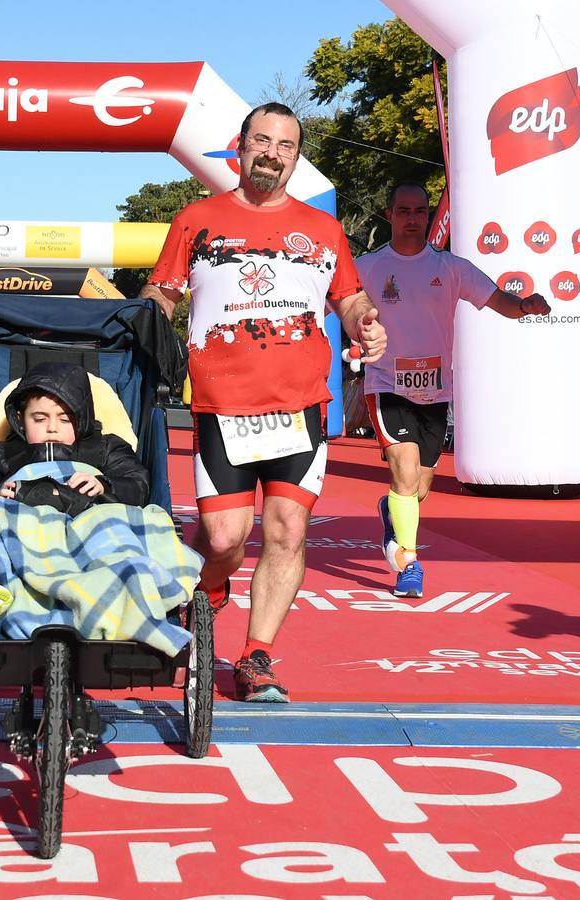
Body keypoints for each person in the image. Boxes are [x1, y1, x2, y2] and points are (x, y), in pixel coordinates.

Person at [140, 101, 387, 703]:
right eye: (262, 142)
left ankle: (257, 656)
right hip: (222, 407)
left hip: (299, 406)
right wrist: (138, 328)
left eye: (285, 146)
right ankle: (212, 586)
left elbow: (348, 298)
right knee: (224, 538)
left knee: (286, 531)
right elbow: (160, 295)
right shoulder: (196, 221)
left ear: (296, 158)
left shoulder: (323, 231)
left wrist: (366, 323)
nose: (272, 154)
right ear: (241, 146)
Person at [356, 182, 551, 600]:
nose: (413, 219)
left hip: (435, 392)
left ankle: (392, 514)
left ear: (428, 216)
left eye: (420, 211)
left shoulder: (451, 268)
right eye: (404, 211)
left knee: (419, 488)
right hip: (387, 385)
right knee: (406, 475)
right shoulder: (367, 267)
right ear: (389, 215)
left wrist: (525, 305)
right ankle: (408, 565)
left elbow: (500, 300)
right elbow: (334, 303)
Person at [0, 363, 197, 654]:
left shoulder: (106, 448)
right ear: (20, 421)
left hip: (89, 517)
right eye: (39, 418)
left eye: (64, 419)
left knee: (114, 527)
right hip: (23, 522)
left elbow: (138, 483)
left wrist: (105, 484)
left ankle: (124, 579)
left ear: (82, 420)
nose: (52, 428)